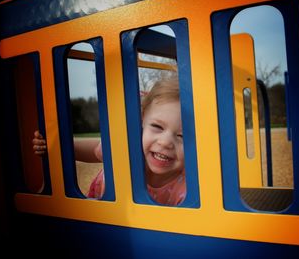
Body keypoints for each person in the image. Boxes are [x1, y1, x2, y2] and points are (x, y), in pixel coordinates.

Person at [33, 79, 186, 205]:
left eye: (182, 136)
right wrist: (55, 146)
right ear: (142, 120)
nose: (165, 142)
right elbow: (91, 149)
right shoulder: (125, 147)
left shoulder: (189, 189)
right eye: (157, 126)